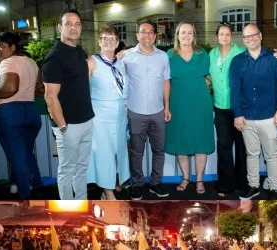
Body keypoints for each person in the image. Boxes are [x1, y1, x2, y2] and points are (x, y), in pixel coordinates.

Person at [41, 9, 95, 200]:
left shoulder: (79, 51)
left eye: (77, 24)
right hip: (69, 126)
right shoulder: (54, 57)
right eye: (68, 23)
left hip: (87, 121)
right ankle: (67, 205)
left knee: (82, 169)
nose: (73, 27)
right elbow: (50, 97)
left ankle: (81, 202)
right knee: (67, 171)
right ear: (59, 27)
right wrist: (63, 127)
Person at [230, 23, 277, 200]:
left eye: (254, 35)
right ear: (243, 40)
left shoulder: (274, 58)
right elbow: (234, 89)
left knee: (272, 155)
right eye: (247, 36)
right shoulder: (237, 61)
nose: (251, 39)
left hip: (270, 116)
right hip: (246, 118)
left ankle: (275, 187)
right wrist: (237, 114)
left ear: (260, 36)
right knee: (251, 155)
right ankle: (253, 186)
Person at [118, 20, 171, 200]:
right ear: (137, 35)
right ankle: (137, 185)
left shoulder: (163, 56)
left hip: (157, 111)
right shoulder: (125, 56)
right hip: (135, 111)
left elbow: (166, 81)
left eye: (150, 32)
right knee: (136, 152)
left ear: (155, 36)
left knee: (159, 151)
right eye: (143, 32)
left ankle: (156, 183)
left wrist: (167, 107)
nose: (146, 35)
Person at [0, 31, 43, 200]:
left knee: (17, 156)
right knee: (26, 153)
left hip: (10, 113)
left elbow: (10, 88)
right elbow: (40, 89)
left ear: (12, 47)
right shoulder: (31, 62)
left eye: (1, 46)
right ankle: (37, 189)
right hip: (31, 112)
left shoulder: (8, 62)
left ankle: (25, 195)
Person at [166, 22, 215, 195]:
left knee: (200, 142)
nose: (186, 36)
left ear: (194, 35)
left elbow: (210, 76)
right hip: (177, 105)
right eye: (182, 32)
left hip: (200, 104)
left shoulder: (203, 55)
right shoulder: (169, 55)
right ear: (177, 35)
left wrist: (205, 88)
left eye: (189, 33)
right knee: (181, 143)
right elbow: (165, 81)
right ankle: (186, 178)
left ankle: (199, 179)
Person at [86, 26, 130, 200]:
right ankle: (108, 191)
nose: (108, 42)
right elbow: (80, 89)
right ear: (99, 42)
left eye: (112, 39)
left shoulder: (121, 62)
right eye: (104, 38)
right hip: (100, 116)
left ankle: (112, 184)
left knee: (119, 152)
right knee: (104, 154)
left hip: (120, 114)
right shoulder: (91, 62)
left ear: (117, 43)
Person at [209, 23, 247, 198]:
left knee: (241, 146)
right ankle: (225, 184)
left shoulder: (240, 53)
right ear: (217, 37)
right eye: (221, 34)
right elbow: (208, 77)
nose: (224, 37)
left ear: (232, 36)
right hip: (220, 107)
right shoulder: (212, 54)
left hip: (239, 107)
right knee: (224, 146)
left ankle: (241, 183)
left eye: (227, 34)